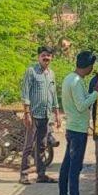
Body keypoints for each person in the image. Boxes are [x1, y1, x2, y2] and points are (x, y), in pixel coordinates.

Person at [60, 51, 98, 195]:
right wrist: (97, 92)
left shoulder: (68, 78)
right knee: (74, 168)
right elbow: (81, 106)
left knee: (66, 166)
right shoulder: (77, 82)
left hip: (72, 127)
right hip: (78, 129)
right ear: (88, 66)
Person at [20, 46, 62, 185]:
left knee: (42, 145)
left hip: (46, 115)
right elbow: (25, 93)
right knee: (29, 145)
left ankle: (41, 174)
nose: (46, 58)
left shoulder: (51, 74)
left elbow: (53, 94)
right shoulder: (31, 71)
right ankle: (24, 175)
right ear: (39, 57)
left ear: (51, 58)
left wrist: (57, 114)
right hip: (33, 114)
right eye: (44, 55)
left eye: (49, 56)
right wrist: (27, 113)